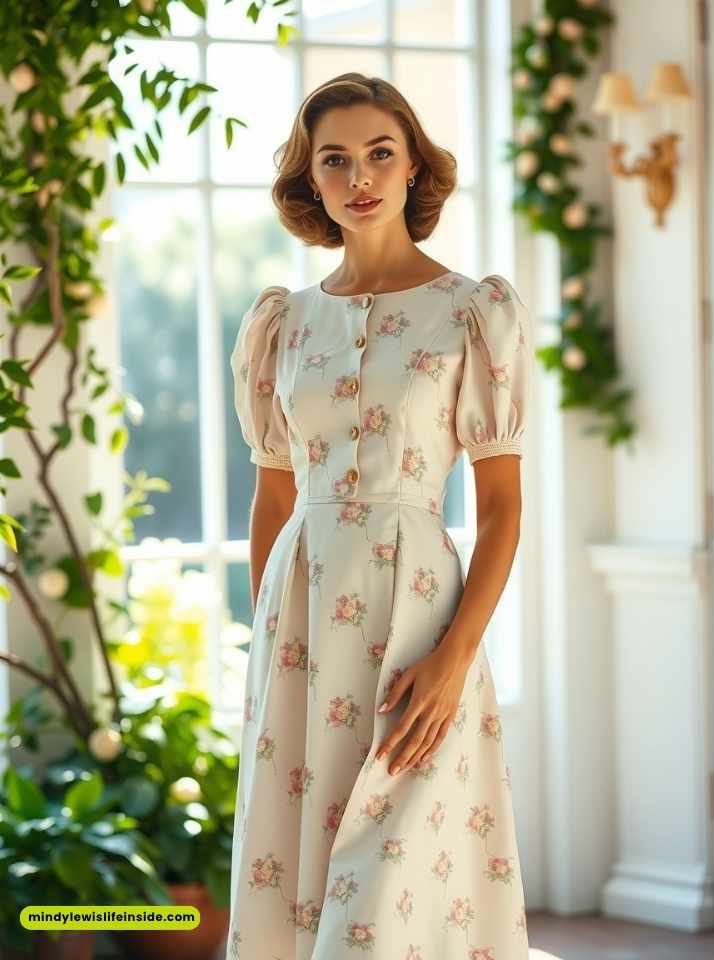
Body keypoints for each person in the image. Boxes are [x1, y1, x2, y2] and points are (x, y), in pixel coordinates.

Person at [226, 71, 531, 960]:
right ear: (310, 180)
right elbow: (274, 497)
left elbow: (503, 506)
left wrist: (455, 658)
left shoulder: (473, 313)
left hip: (418, 627)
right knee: (306, 873)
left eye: (379, 153)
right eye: (335, 160)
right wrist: (269, 642)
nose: (359, 175)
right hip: (300, 627)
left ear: (410, 169)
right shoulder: (283, 326)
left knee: (392, 883)